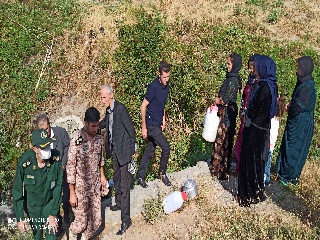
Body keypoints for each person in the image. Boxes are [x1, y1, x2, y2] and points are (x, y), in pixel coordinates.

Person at [237, 55, 278, 207]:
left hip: (254, 129)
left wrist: (246, 112)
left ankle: (247, 195)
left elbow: (253, 111)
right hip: (263, 129)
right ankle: (258, 191)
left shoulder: (263, 88)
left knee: (249, 162)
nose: (254, 70)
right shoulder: (272, 85)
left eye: (257, 67)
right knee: (258, 162)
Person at [99, 84, 136, 235]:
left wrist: (132, 149)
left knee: (125, 187)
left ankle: (126, 220)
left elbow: (131, 129)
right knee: (117, 179)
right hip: (114, 151)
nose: (102, 100)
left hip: (124, 152)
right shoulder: (109, 110)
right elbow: (105, 123)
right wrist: (92, 125)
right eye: (101, 98)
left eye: (104, 97)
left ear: (111, 96)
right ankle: (119, 204)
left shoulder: (121, 109)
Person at [12, 129, 62, 240]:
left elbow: (58, 187)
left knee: (52, 234)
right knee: (37, 236)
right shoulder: (25, 162)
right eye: (44, 147)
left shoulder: (55, 159)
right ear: (35, 149)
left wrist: (53, 213)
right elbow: (17, 191)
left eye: (49, 145)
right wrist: (20, 218)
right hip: (32, 207)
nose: (48, 149)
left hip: (50, 204)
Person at [66, 107, 108, 239]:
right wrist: (72, 193)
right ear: (85, 122)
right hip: (80, 189)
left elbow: (101, 158)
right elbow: (71, 167)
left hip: (94, 186)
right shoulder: (77, 140)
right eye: (93, 126)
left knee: (96, 222)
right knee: (81, 223)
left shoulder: (99, 138)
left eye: (97, 125)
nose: (96, 129)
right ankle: (72, 234)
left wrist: (102, 176)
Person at [276, 56, 316, 186]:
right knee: (289, 146)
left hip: (301, 124)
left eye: (299, 67)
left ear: (304, 69)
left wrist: (289, 107)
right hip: (296, 121)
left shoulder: (307, 87)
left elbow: (298, 107)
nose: (297, 70)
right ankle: (283, 172)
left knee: (295, 149)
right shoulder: (303, 83)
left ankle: (289, 176)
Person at [136, 60, 172, 187]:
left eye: (168, 77)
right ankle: (162, 173)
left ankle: (140, 176)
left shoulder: (166, 86)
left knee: (149, 151)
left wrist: (163, 119)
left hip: (157, 123)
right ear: (159, 75)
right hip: (150, 124)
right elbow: (143, 106)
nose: (166, 79)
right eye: (164, 77)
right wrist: (144, 127)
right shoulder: (153, 87)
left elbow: (162, 104)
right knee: (166, 148)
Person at [36, 113, 71, 234]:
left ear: (49, 125)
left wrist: (64, 163)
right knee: (52, 200)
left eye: (46, 129)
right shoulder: (38, 140)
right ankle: (58, 224)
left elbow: (68, 147)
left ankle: (67, 213)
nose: (45, 132)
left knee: (65, 196)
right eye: (42, 130)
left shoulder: (60, 133)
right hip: (49, 174)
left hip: (63, 170)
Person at [209, 52, 242, 180]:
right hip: (225, 114)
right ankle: (218, 168)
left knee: (223, 142)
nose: (227, 66)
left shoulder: (233, 81)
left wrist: (217, 100)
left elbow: (227, 99)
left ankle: (220, 170)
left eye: (229, 64)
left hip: (227, 117)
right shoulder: (230, 78)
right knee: (222, 141)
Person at [233, 55, 259, 173]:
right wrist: (242, 109)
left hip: (252, 118)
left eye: (252, 68)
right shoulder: (250, 80)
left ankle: (245, 168)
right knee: (241, 140)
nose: (250, 70)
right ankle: (239, 165)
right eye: (249, 67)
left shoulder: (259, 83)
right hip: (245, 115)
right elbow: (245, 96)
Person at [264, 95, 286, 186]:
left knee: (265, 162)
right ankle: (267, 178)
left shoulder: (272, 118)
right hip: (272, 143)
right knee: (268, 162)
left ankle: (264, 179)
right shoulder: (277, 118)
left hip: (268, 142)